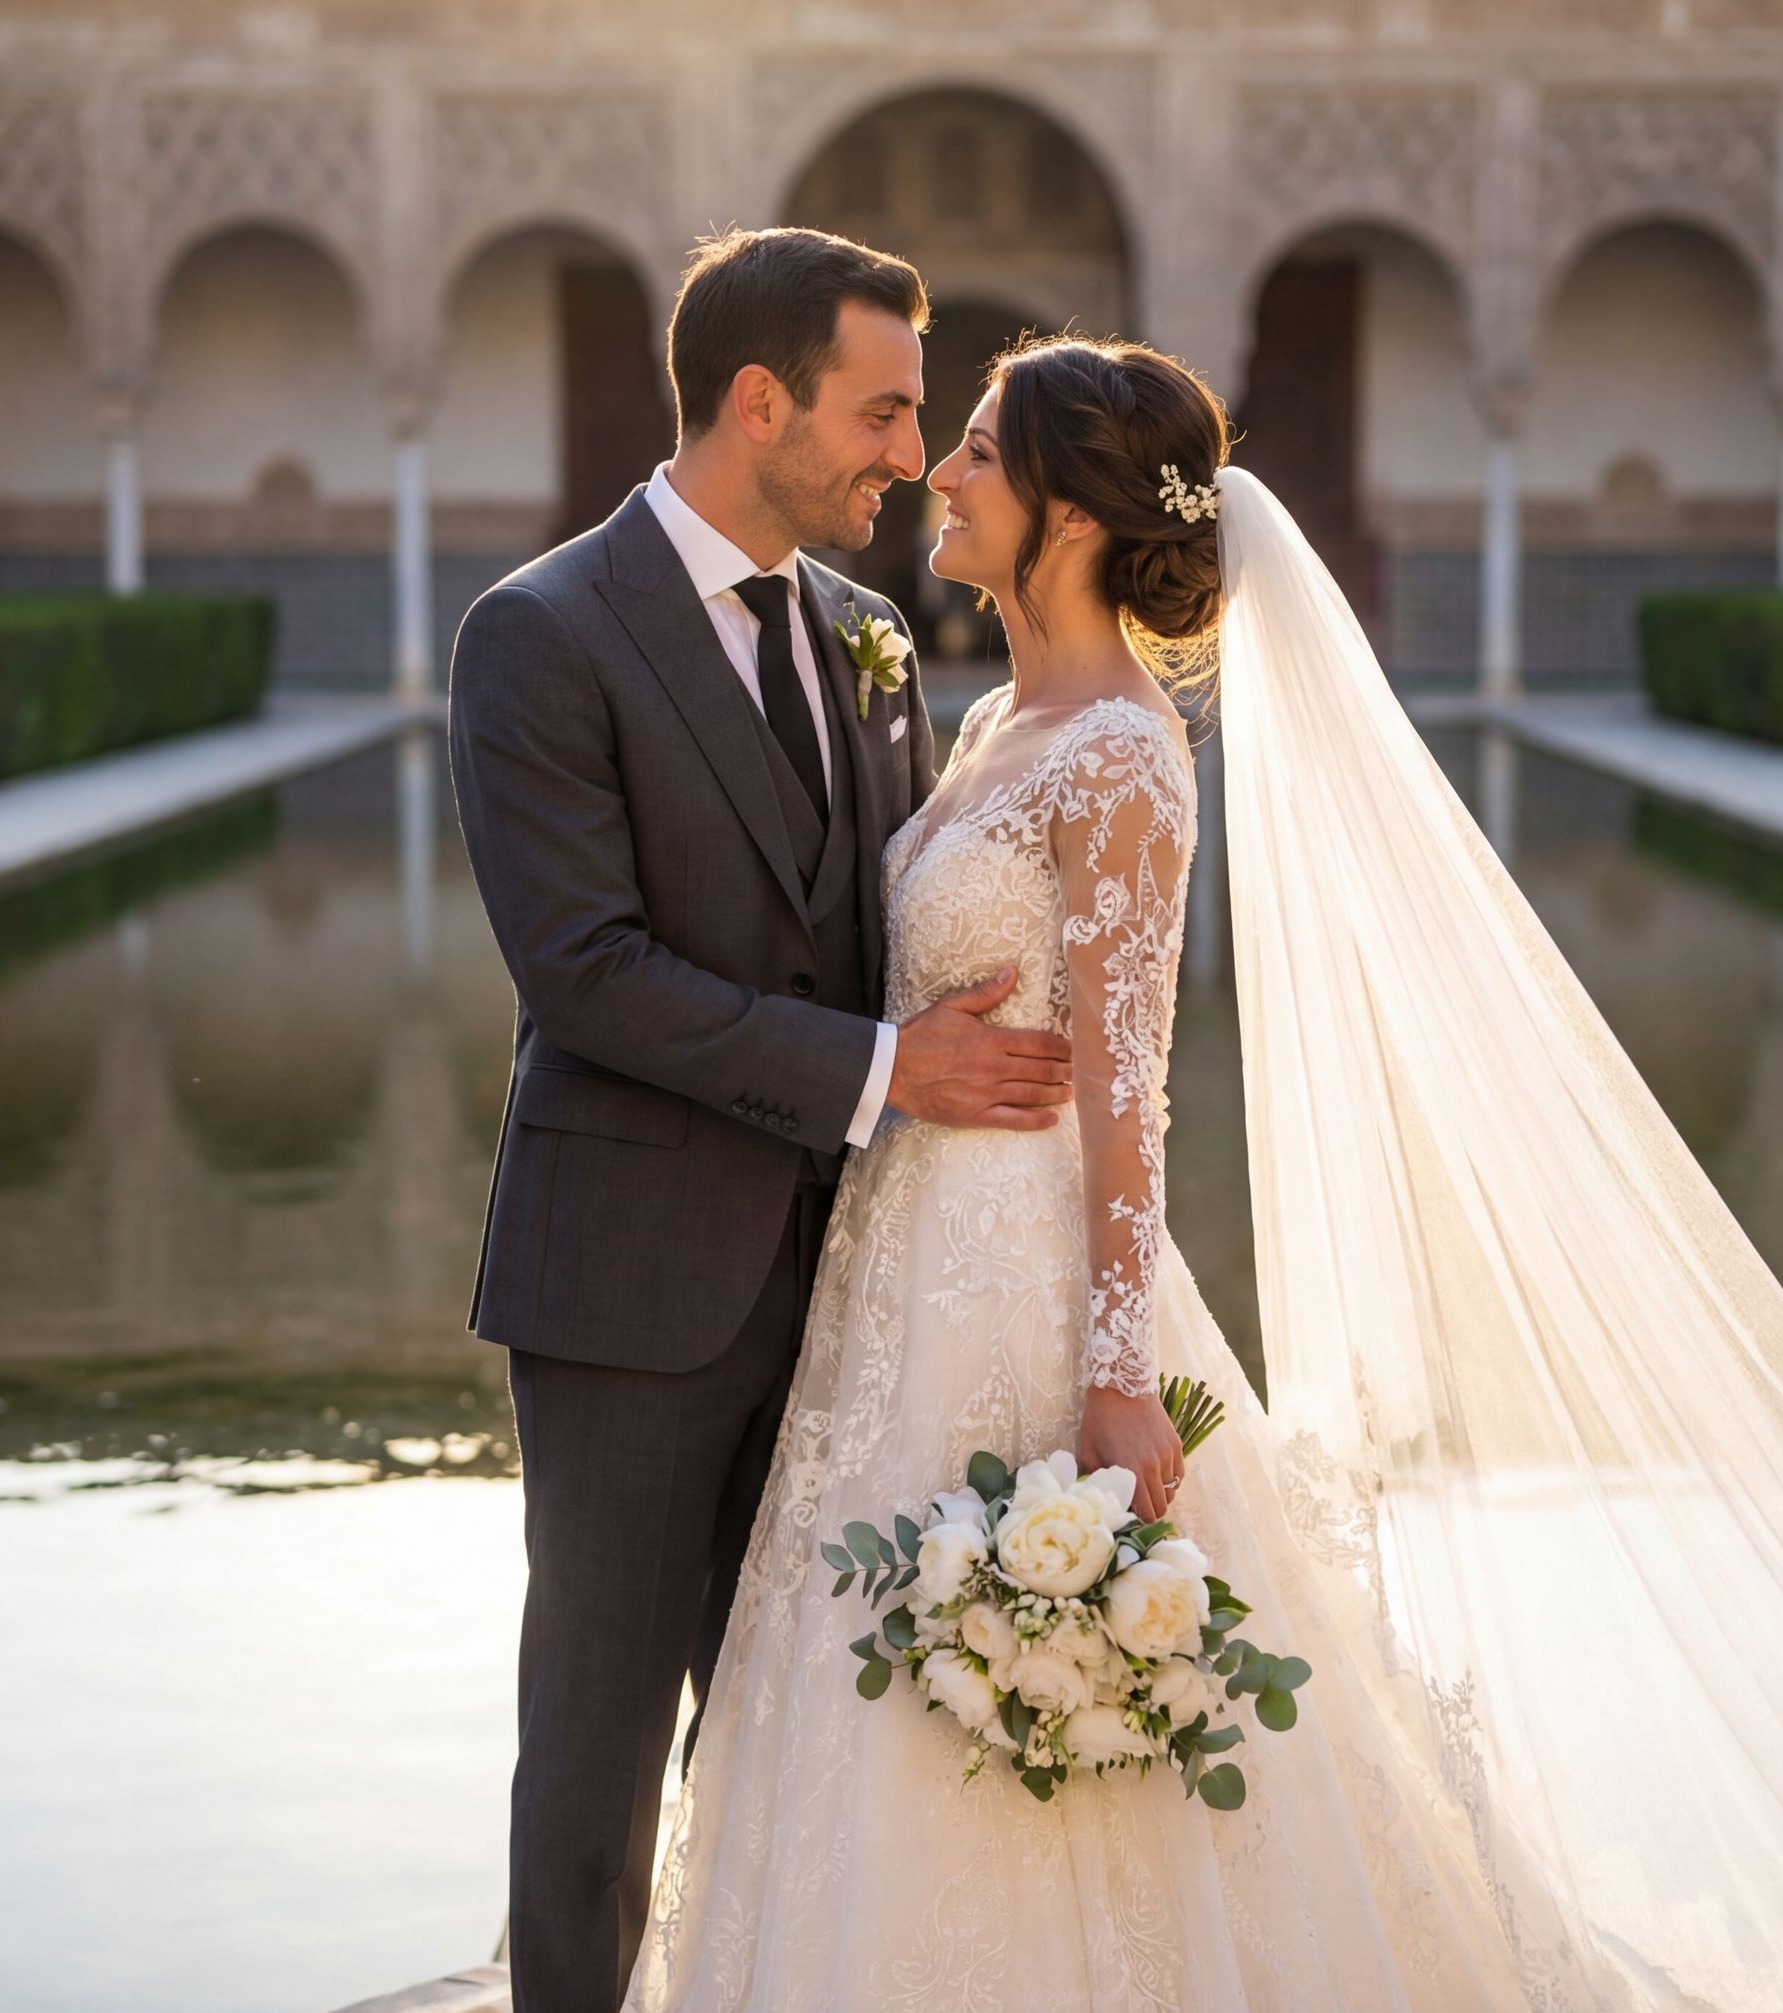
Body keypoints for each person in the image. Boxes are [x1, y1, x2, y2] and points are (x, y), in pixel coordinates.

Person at [623, 336, 1783, 2010]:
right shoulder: (995, 715)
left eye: (983, 448)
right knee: (886, 1661)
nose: (942, 468)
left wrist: (1113, 1369)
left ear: (1070, 512)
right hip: (901, 1258)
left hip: (1024, 1278)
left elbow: (1135, 1099)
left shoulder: (1126, 762)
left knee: (1041, 1659)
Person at [445, 228, 1081, 2013]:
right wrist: (890, 1075)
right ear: (757, 401)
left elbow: (881, 916)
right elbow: (587, 970)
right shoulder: (543, 633)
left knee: (804, 1735)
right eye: (883, 412)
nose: (910, 450)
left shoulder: (872, 638)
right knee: (592, 1757)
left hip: (853, 1288)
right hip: (633, 1289)